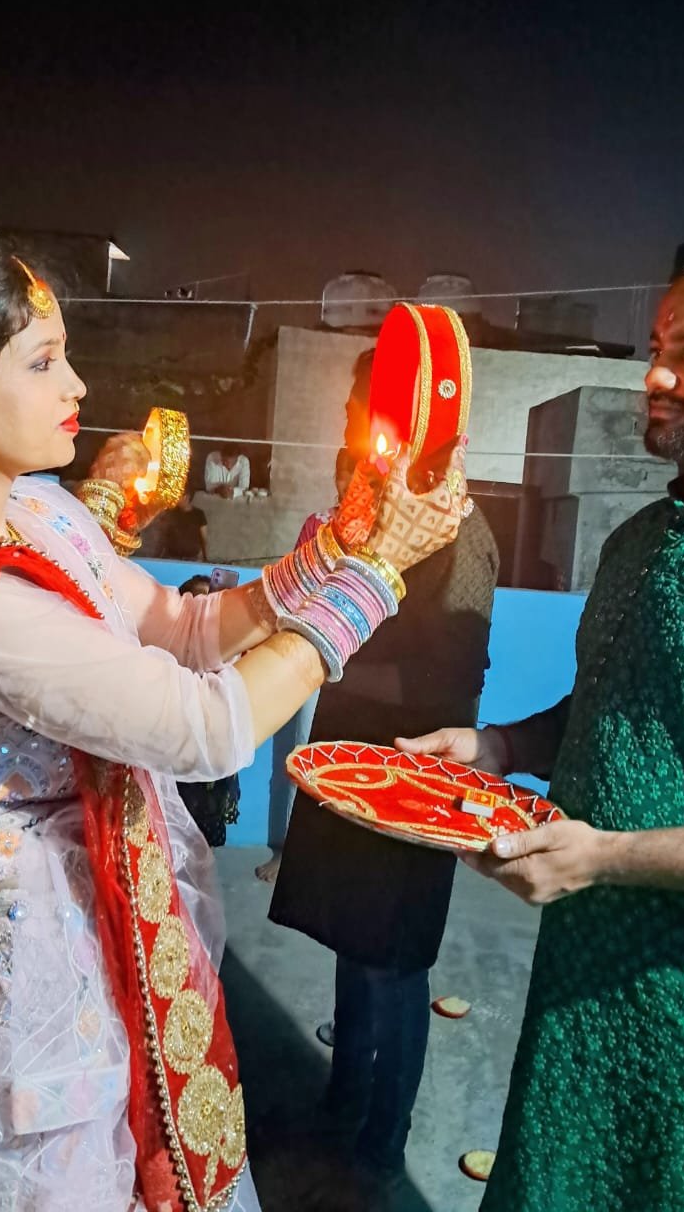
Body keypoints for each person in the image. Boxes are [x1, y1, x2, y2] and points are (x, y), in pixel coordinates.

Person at [0, 227, 465, 1212]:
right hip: (13, 976)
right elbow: (203, 727)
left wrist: (340, 546)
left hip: (93, 926)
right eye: (42, 361)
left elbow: (183, 627)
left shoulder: (37, 512)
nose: (78, 385)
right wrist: (373, 577)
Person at [400, 247, 684, 1212]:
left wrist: (604, 857)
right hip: (580, 997)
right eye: (655, 347)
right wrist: (498, 748)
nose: (654, 375)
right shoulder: (639, 538)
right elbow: (612, 709)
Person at [269, 431, 499, 1188]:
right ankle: (343, 1100)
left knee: (392, 963)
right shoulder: (378, 519)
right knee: (351, 940)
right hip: (353, 773)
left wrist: (322, 655)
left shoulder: (463, 536)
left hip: (410, 784)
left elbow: (448, 687)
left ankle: (382, 1140)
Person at [255, 446, 355, 884]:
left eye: (364, 476)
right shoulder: (318, 526)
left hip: (359, 663)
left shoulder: (382, 535)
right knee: (294, 753)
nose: (353, 483)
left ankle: (331, 856)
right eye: (347, 474)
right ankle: (284, 851)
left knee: (344, 761)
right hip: (310, 652)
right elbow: (296, 587)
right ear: (337, 477)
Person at [174, 576, 241, 848]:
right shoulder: (167, 660)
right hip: (176, 769)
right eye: (198, 607)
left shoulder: (228, 659)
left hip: (213, 776)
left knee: (206, 840)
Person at [149, 491, 209, 561]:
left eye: (179, 497)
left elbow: (204, 538)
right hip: (172, 557)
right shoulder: (171, 513)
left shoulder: (199, 514)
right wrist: (157, 556)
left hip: (191, 558)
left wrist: (205, 557)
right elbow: (162, 536)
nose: (177, 500)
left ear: (187, 497)